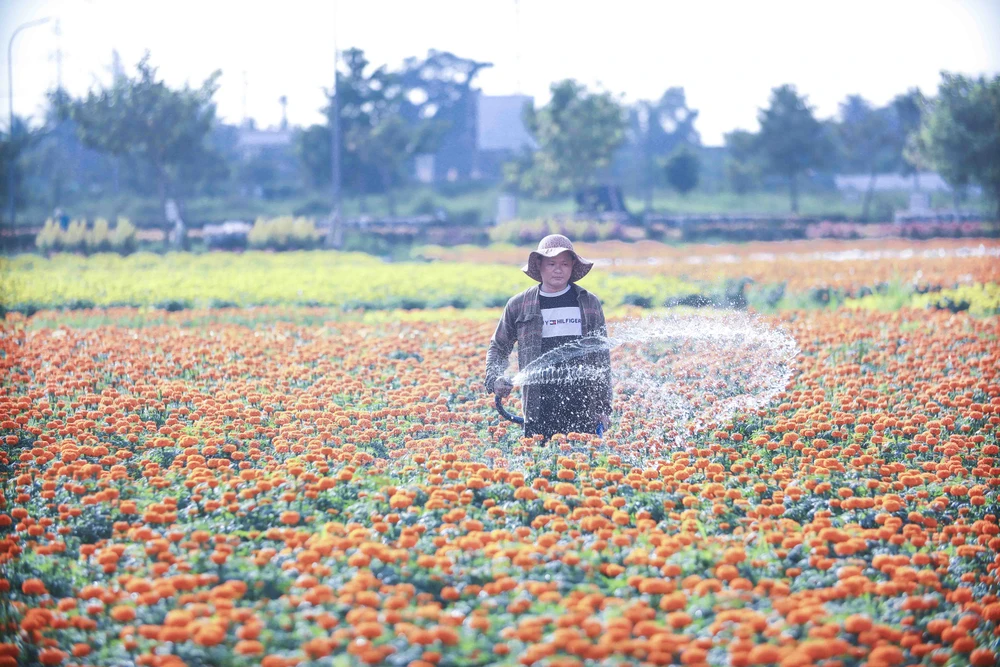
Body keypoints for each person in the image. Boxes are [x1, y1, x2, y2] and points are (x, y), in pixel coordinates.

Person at [485, 234, 613, 440]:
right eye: (551, 263)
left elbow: (601, 358)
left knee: (584, 467)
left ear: (572, 266)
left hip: (583, 406)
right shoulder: (519, 304)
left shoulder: (589, 303)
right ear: (539, 265)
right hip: (538, 406)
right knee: (541, 467)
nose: (558, 269)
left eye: (564, 263)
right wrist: (495, 377)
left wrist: (603, 408)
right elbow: (498, 347)